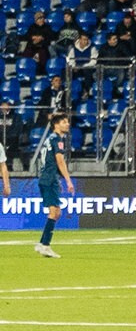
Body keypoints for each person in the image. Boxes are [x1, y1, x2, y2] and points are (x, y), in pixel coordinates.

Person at [29, 109, 71, 258]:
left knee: (56, 212)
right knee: (54, 212)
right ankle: (45, 246)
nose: (67, 124)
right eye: (64, 122)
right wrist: (67, 180)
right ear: (56, 125)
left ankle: (42, 244)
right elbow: (60, 160)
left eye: (67, 121)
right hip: (49, 178)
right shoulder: (57, 140)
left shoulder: (49, 139)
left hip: (48, 177)